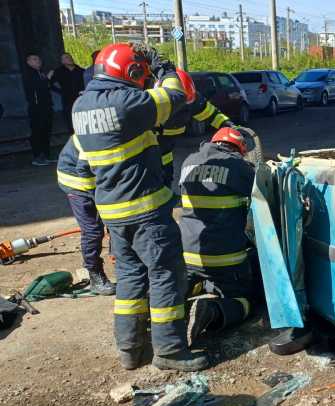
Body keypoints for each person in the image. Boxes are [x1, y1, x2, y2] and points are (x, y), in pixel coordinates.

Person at [73, 42, 207, 372]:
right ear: (131, 71)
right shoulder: (128, 103)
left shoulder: (80, 105)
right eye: (141, 75)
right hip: (145, 211)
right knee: (166, 275)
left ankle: (130, 349)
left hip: (114, 212)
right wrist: (164, 67)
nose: (143, 81)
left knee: (131, 278)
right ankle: (170, 351)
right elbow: (174, 96)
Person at [178, 127, 255, 346]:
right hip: (225, 259)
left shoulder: (189, 162)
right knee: (246, 300)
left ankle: (176, 303)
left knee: (181, 287)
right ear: (238, 148)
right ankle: (212, 311)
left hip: (187, 255)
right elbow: (262, 196)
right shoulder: (239, 167)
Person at [56, 137, 115, 296]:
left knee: (118, 219)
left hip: (100, 176)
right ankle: (94, 273)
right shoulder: (96, 133)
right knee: (93, 230)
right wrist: (100, 200)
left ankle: (121, 261)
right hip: (76, 179)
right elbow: (85, 171)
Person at [157, 69, 232, 188]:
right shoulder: (148, 104)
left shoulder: (191, 99)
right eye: (179, 104)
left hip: (166, 149)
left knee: (167, 178)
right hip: (147, 153)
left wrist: (228, 125)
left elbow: (209, 113)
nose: (182, 108)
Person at [22, 53, 54, 166]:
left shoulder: (39, 73)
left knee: (45, 131)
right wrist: (47, 78)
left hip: (45, 107)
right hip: (37, 108)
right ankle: (38, 157)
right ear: (28, 62)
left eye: (39, 59)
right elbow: (38, 87)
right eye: (35, 59)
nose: (38, 61)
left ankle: (45, 155)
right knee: (38, 132)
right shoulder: (29, 74)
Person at [50, 53, 85, 133]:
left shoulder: (80, 70)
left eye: (70, 57)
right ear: (62, 62)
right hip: (67, 100)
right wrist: (61, 92)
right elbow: (50, 84)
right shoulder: (58, 71)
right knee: (70, 120)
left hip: (81, 99)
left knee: (82, 119)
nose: (69, 58)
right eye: (66, 57)